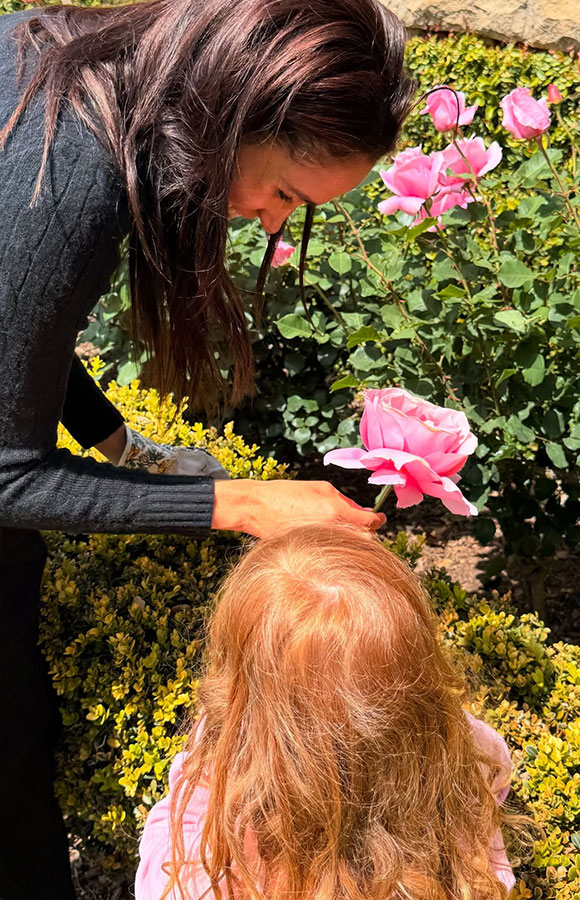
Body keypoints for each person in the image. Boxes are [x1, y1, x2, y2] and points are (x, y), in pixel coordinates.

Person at [0, 0, 414, 895]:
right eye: (288, 196)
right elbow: (3, 475)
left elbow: (12, 324)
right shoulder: (72, 179)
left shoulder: (62, 60)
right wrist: (240, 503)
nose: (271, 225)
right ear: (244, 105)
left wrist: (117, 444)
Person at [135, 525, 519, 900]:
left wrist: (216, 745)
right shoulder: (474, 756)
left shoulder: (200, 859)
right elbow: (489, 869)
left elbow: (163, 853)